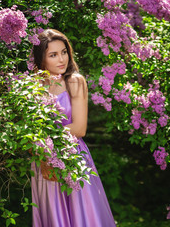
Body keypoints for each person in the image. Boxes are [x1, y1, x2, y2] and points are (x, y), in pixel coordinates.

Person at [30, 29, 116, 227]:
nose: (61, 59)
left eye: (64, 52)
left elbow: (79, 128)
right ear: (41, 59)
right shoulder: (33, 86)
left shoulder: (74, 81)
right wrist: (41, 152)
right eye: (53, 55)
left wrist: (44, 139)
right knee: (52, 215)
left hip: (73, 158)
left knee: (82, 216)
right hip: (43, 158)